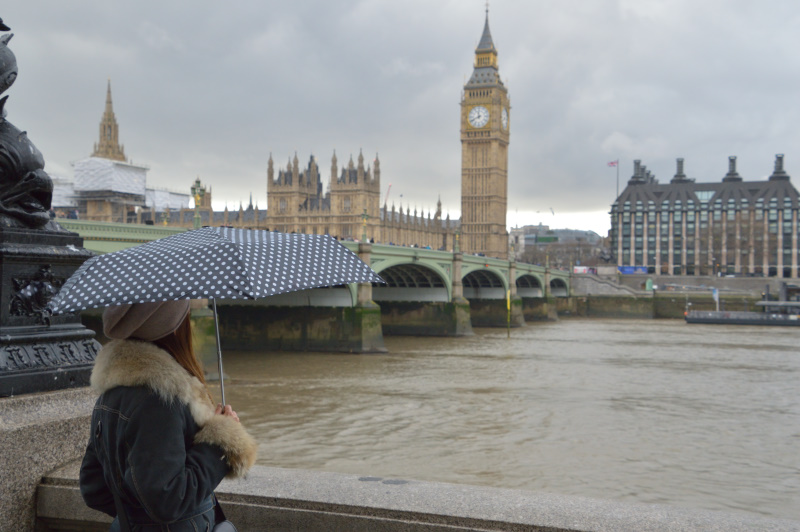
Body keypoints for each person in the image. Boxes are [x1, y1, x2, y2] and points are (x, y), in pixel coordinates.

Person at [79, 300, 257, 531]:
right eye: (187, 315)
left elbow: (94, 488)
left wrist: (137, 517)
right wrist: (219, 440)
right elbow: (169, 500)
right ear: (173, 327)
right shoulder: (162, 402)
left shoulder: (110, 395)